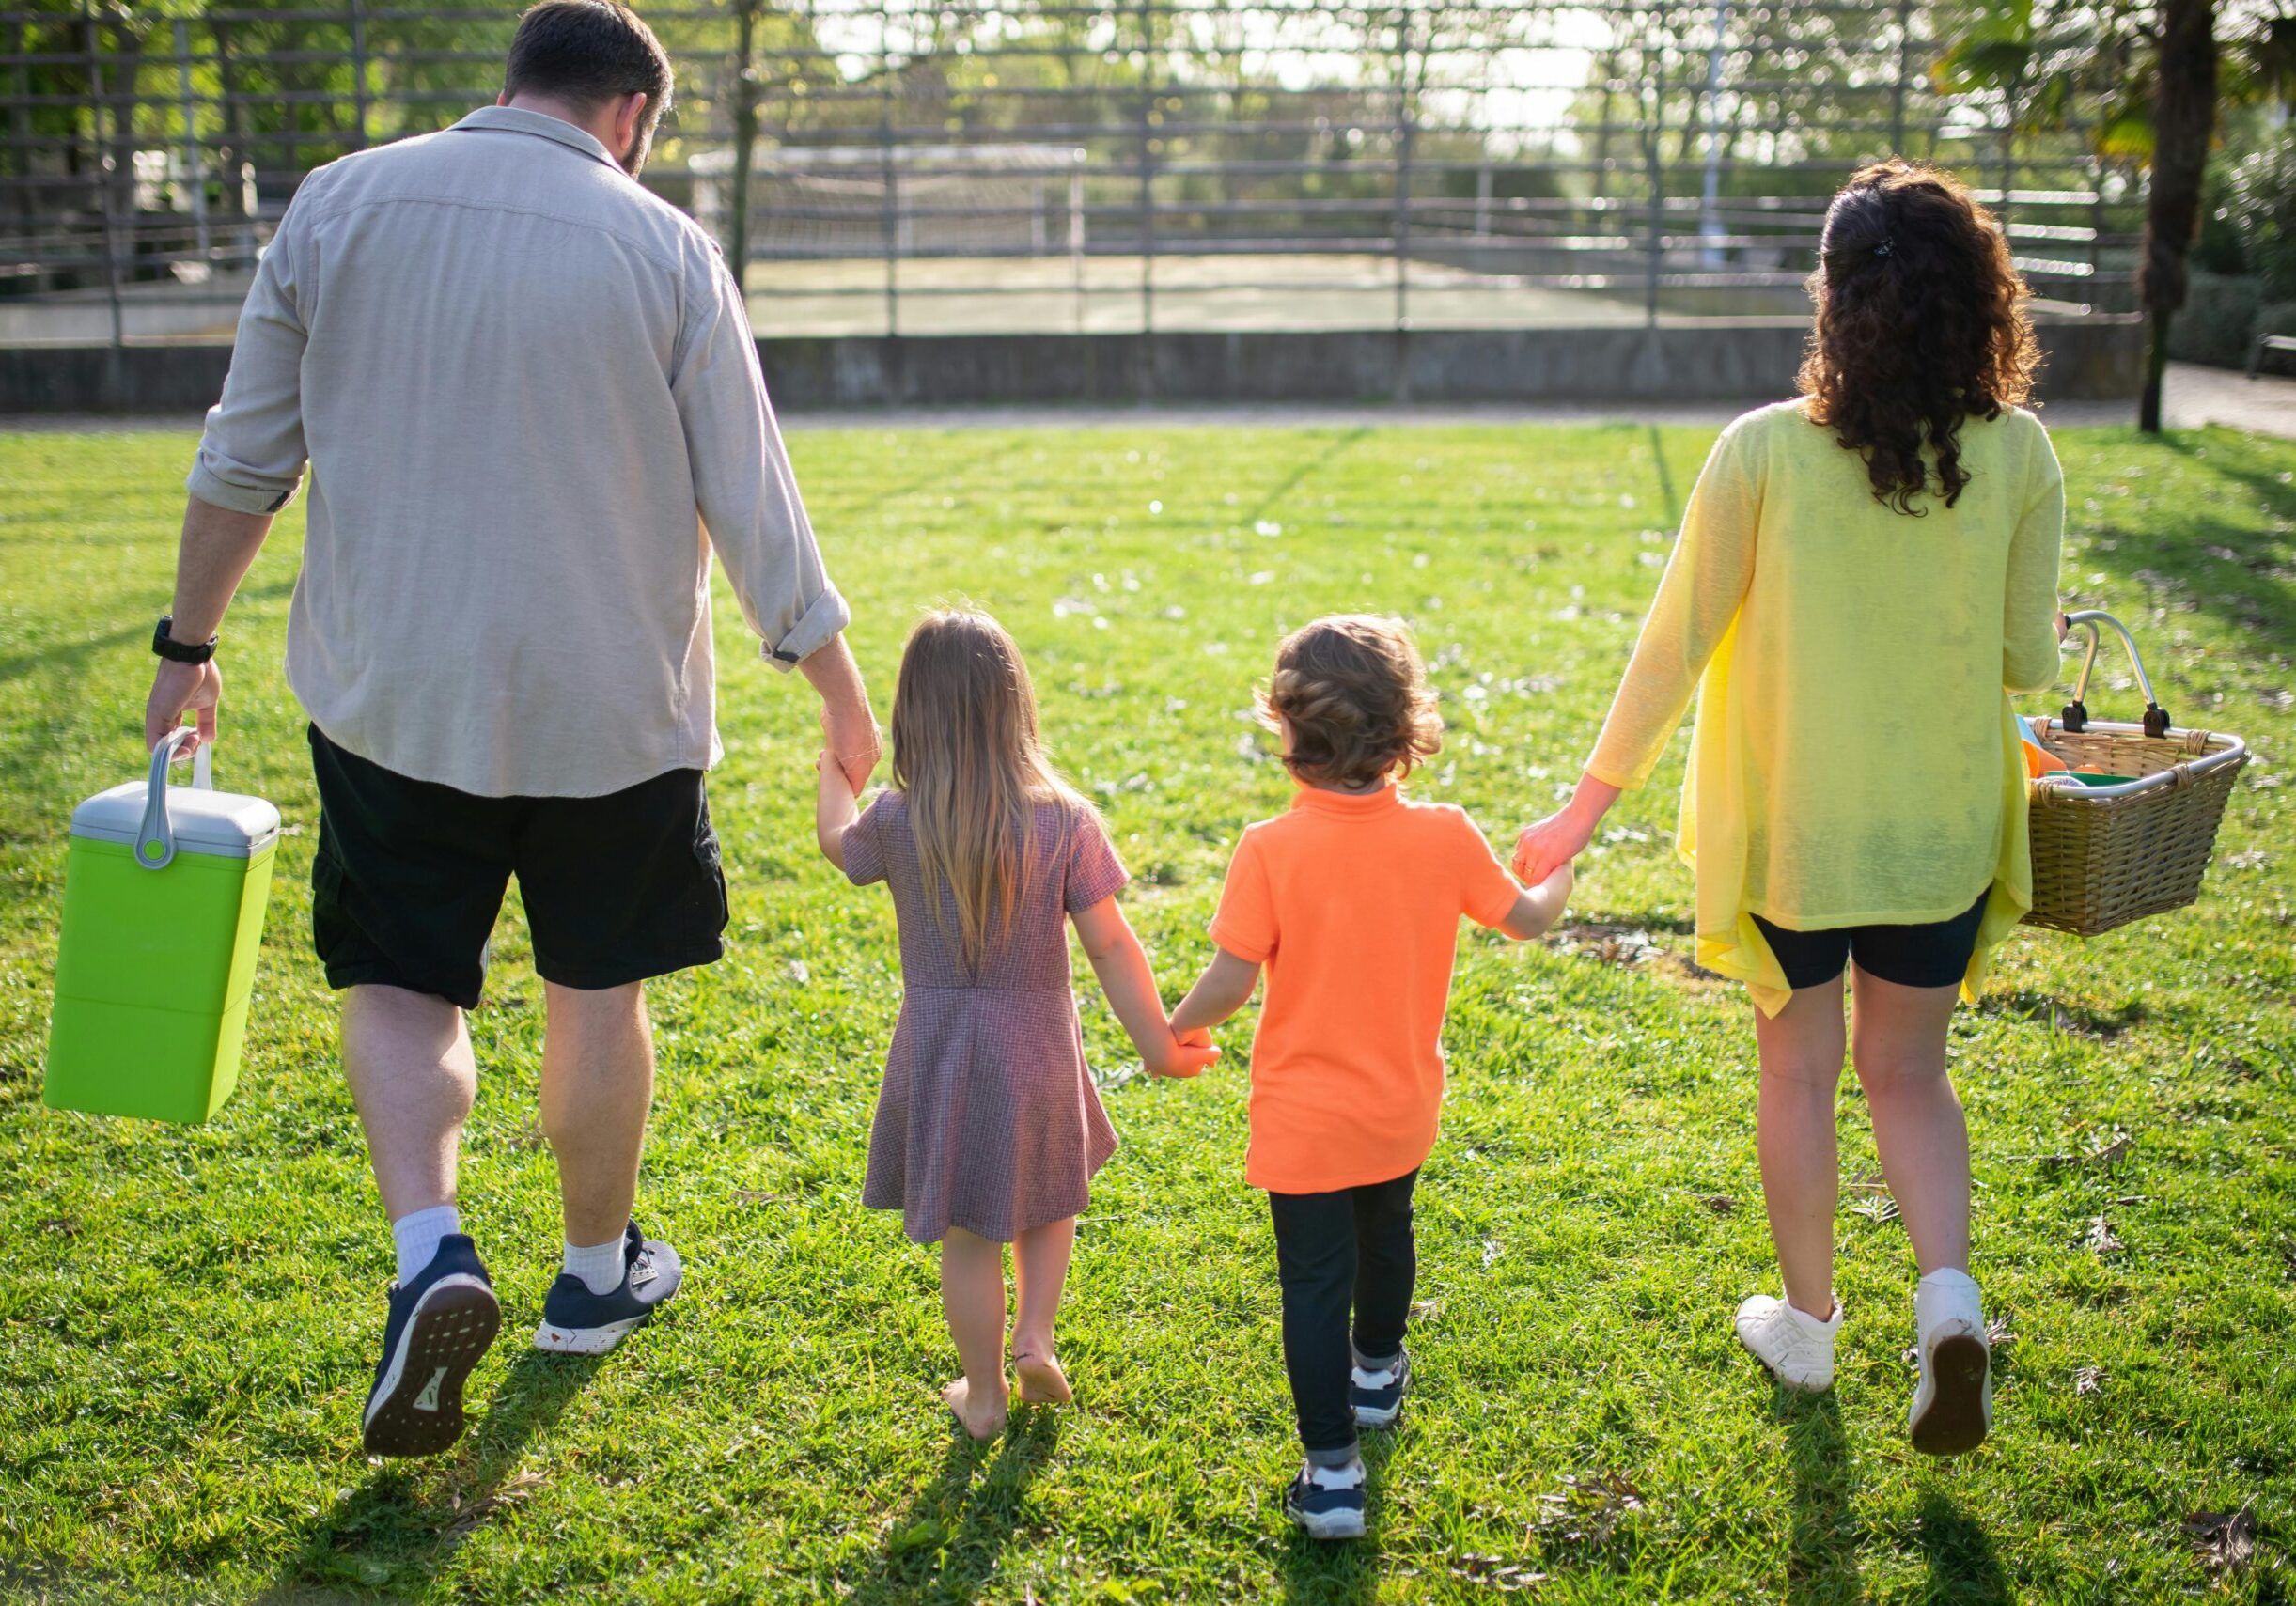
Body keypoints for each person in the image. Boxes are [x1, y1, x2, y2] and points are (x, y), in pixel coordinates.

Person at [140, 0, 879, 1458]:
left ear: (513, 86)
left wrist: (186, 649)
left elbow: (244, 457)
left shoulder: (337, 203)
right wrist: (841, 700)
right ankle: (594, 1281)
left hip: (390, 696)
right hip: (612, 709)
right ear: (629, 117)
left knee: (404, 982)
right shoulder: (663, 247)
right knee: (598, 990)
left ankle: (431, 1247)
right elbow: (755, 503)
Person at [1512, 160, 2065, 1457]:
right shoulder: (2021, 451)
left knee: (1798, 1072)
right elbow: (2026, 661)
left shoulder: (1758, 451)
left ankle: (1809, 1324)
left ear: (1833, 300)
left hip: (1793, 841)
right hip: (1935, 836)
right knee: (1910, 1078)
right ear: (1976, 301)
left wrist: (1579, 814)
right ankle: (1945, 1305)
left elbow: (1667, 651)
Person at [1164, 616, 1573, 1540]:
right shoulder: (1444, 834)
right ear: (1405, 728)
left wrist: (1173, 1023)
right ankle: (1379, 1372)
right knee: (1387, 1235)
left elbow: (1230, 979)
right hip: (1398, 1107)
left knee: (1313, 1283)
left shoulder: (1268, 847)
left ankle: (1334, 1471)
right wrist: (1559, 875)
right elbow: (1525, 918)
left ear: (1287, 727)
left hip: (1303, 1120)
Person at [814, 610, 1216, 1442]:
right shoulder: (1062, 818)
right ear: (1014, 707)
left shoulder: (896, 817)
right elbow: (1110, 943)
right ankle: (1036, 1335)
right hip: (1037, 1049)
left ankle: (986, 1394)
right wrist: (1158, 1046)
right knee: (1048, 1194)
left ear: (909, 714)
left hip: (940, 1051)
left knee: (967, 1237)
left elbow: (833, 841)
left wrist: (834, 767)